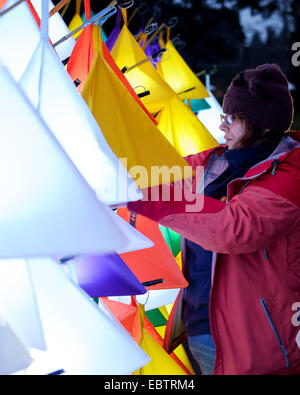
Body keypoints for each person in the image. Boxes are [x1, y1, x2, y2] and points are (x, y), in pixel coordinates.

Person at [128, 64, 300, 375]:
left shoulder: (290, 175)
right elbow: (159, 177)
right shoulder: (217, 162)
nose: (223, 127)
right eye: (224, 117)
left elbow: (232, 229)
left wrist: (141, 198)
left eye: (232, 119)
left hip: (258, 342)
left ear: (260, 126)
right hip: (201, 326)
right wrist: (114, 174)